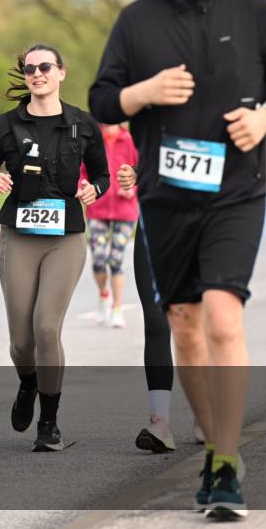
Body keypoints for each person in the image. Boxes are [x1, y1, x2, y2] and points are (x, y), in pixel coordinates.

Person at [89, 0, 266, 519]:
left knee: (221, 319)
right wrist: (145, 91)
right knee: (184, 327)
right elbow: (103, 99)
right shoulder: (136, 22)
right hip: (166, 197)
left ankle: (223, 460)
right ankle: (220, 445)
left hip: (237, 190)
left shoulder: (251, 7)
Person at [0, 43, 109, 452]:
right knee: (20, 340)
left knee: (46, 326)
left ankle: (49, 423)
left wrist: (94, 188)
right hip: (18, 235)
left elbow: (101, 174)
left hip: (65, 237)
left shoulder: (83, 124)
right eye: (30, 68)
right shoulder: (5, 125)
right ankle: (28, 382)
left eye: (45, 67)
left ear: (61, 73)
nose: (37, 73)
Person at [114, 164, 178, 454]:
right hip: (155, 219)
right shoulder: (155, 117)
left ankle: (209, 412)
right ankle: (160, 420)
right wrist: (138, 172)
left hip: (209, 220)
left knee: (203, 322)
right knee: (155, 321)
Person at [81, 123, 139, 328]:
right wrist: (85, 187)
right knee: (98, 259)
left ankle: (117, 308)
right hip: (98, 208)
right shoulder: (93, 139)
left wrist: (133, 189)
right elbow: (83, 173)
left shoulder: (131, 140)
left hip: (125, 211)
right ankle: (103, 294)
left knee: (115, 260)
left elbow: (143, 171)